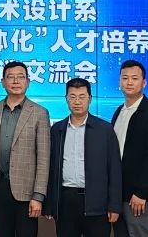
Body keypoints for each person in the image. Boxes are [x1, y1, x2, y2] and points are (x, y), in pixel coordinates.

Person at [0, 61, 51, 237]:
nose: (16, 81)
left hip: (26, 192)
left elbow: (43, 158)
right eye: (10, 77)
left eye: (20, 77)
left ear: (28, 81)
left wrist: (38, 195)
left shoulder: (40, 113)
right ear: (3, 82)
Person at [44, 77, 122, 237]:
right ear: (66, 99)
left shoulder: (104, 129)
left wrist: (114, 205)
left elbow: (114, 169)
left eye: (82, 97)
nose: (77, 101)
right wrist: (50, 204)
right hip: (66, 201)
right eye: (72, 97)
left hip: (97, 202)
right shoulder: (57, 129)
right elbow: (51, 169)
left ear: (90, 99)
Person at [110, 60, 148, 237]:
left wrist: (142, 192)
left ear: (144, 83)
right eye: (125, 78)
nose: (129, 82)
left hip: (139, 197)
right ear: (119, 82)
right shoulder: (119, 111)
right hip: (119, 194)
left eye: (134, 78)